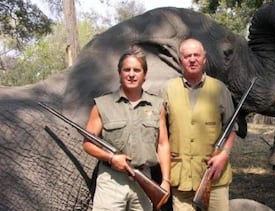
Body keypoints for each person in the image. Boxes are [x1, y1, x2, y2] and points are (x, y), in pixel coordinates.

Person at [83, 46, 171, 211]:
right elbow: (88, 143)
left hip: (144, 180)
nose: (131, 74)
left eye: (136, 70)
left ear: (144, 75)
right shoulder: (103, 105)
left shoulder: (157, 105)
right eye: (127, 70)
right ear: (120, 74)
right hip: (111, 182)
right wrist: (110, 158)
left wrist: (166, 180)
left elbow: (163, 144)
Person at [163, 38, 237, 211]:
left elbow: (231, 127)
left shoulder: (219, 89)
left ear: (204, 59)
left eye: (197, 55)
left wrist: (224, 155)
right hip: (181, 177)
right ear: (181, 60)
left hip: (214, 175)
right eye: (187, 56)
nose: (192, 59)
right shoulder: (168, 89)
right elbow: (161, 132)